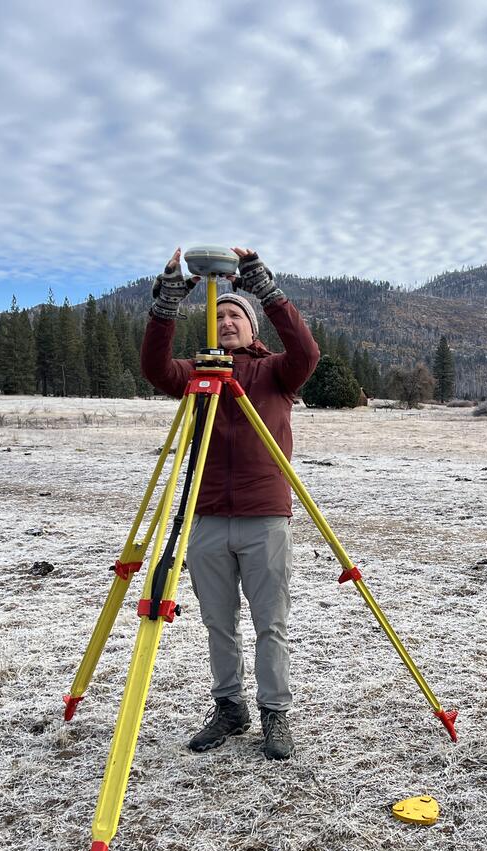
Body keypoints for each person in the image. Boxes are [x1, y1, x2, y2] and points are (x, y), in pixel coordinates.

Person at [140, 247, 320, 760]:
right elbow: (154, 367)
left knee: (270, 623)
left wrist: (267, 289)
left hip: (266, 517)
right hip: (208, 517)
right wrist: (168, 303)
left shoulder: (277, 372)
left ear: (252, 326)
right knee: (219, 623)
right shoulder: (196, 376)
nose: (225, 321)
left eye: (235, 314)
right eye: (218, 316)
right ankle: (229, 707)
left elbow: (307, 352)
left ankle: (274, 713)